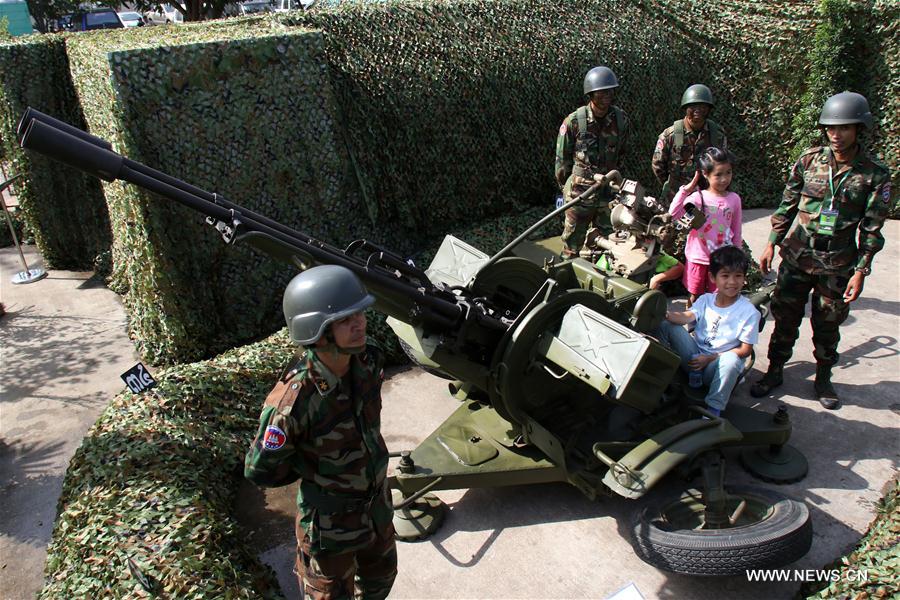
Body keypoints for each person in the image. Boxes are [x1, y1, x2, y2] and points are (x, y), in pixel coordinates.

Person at [244, 265, 397, 599]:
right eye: (344, 320)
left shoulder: (367, 361)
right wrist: (315, 470)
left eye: (359, 313)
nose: (359, 323)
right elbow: (261, 469)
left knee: (381, 582)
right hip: (331, 530)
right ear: (317, 329)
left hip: (376, 510)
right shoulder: (293, 402)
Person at [750, 91, 892, 409]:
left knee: (827, 325)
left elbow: (872, 228)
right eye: (830, 128)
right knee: (785, 318)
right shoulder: (808, 160)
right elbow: (787, 205)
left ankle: (824, 378)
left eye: (843, 128)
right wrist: (771, 243)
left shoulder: (874, 175)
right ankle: (774, 371)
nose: (835, 135)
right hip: (797, 257)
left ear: (859, 129)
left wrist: (861, 271)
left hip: (837, 264)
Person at [656, 245, 759, 416]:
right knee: (666, 325)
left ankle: (713, 411)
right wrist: (664, 314)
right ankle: (662, 376)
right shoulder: (706, 299)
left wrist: (710, 358)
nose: (732, 282)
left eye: (738, 276)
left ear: (744, 279)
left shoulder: (749, 312)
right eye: (725, 276)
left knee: (732, 360)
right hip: (694, 359)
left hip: (715, 367)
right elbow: (687, 316)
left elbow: (745, 350)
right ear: (712, 277)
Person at [555, 66, 631, 257]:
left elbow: (622, 153)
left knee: (606, 244)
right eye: (601, 92)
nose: (607, 95)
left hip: (607, 194)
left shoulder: (620, 120)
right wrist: (567, 189)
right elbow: (561, 161)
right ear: (591, 93)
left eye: (610, 91)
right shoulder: (574, 121)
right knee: (571, 245)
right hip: (580, 194)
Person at [668, 147, 743, 308]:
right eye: (718, 174)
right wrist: (685, 190)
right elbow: (673, 214)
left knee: (719, 298)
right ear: (705, 174)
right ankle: (693, 327)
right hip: (698, 259)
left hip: (723, 260)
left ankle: (712, 329)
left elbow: (736, 231)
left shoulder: (734, 199)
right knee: (695, 297)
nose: (724, 179)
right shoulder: (697, 198)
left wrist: (738, 258)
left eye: (728, 173)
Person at [652, 84, 728, 203]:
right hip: (676, 198)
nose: (697, 111)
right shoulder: (671, 135)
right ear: (686, 108)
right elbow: (658, 165)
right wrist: (671, 187)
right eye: (693, 106)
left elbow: (723, 164)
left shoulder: (716, 134)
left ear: (708, 109)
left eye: (702, 106)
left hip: (708, 198)